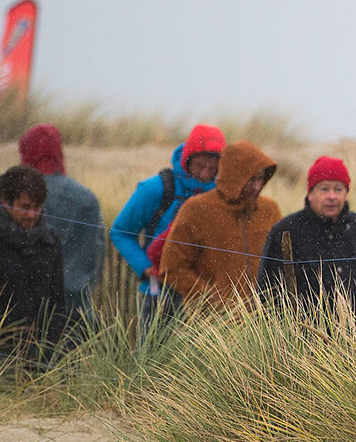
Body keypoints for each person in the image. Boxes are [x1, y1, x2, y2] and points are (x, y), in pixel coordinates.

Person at [109, 124, 225, 327]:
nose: (206, 174)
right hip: (159, 294)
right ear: (187, 159)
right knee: (152, 358)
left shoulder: (222, 194)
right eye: (200, 166)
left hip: (205, 298)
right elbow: (120, 232)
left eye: (213, 167)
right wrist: (145, 267)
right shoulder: (156, 189)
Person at [0, 165, 68, 365]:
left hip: (41, 359)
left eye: (37, 207)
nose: (32, 215)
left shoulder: (50, 243)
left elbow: (57, 303)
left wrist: (49, 351)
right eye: (25, 207)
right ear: (5, 202)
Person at [259, 156, 356, 313]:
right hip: (303, 334)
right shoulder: (285, 231)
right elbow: (267, 290)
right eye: (324, 189)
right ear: (310, 193)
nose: (332, 196)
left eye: (338, 189)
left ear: (346, 193)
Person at [160, 140, 282, 310]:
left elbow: (282, 262)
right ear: (233, 176)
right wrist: (209, 301)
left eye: (260, 178)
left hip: (263, 321)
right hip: (212, 326)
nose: (256, 186)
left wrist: (275, 303)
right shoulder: (196, 209)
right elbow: (172, 267)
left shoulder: (270, 210)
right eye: (250, 179)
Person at [18, 124, 104, 328]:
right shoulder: (86, 196)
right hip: (77, 303)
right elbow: (98, 247)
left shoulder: (23, 198)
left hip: (32, 306)